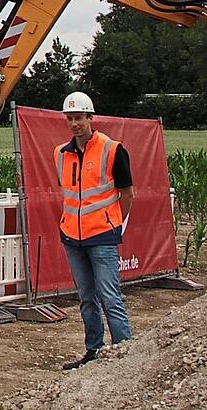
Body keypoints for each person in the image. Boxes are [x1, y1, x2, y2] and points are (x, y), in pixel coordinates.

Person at [57, 91, 134, 370]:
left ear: (91, 118)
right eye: (70, 118)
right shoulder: (61, 154)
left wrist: (114, 223)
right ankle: (94, 352)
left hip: (101, 235)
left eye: (79, 118)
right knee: (86, 298)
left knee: (109, 295)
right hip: (72, 237)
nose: (74, 123)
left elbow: (127, 194)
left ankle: (125, 353)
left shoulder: (112, 149)